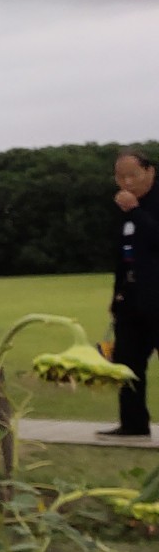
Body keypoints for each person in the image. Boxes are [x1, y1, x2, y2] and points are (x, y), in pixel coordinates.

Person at [102, 147, 159, 439]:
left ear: (150, 172)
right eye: (120, 177)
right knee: (127, 361)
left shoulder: (141, 207)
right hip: (131, 296)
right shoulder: (124, 211)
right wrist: (116, 297)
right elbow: (123, 257)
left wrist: (135, 211)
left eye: (132, 175)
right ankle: (133, 424)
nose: (126, 183)